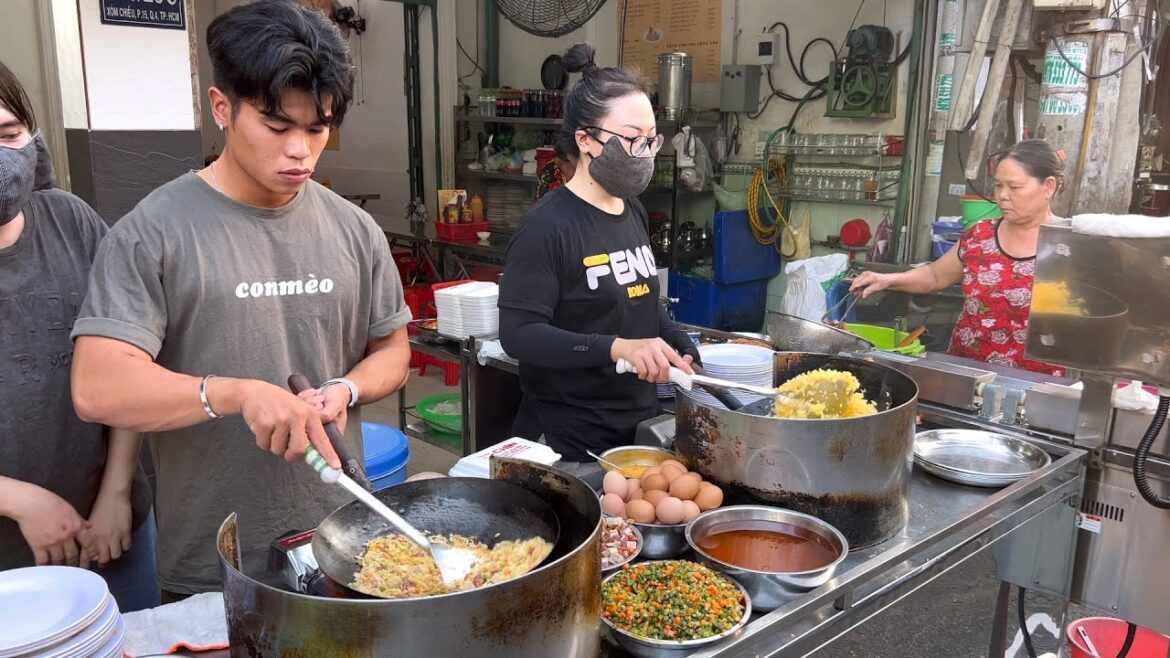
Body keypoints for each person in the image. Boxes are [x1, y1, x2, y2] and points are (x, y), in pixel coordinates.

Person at [70, 0, 411, 599]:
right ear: (221, 107)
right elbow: (97, 386)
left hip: (343, 540)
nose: (301, 151)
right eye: (278, 128)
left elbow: (392, 349)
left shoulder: (355, 230)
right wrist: (234, 393)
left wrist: (346, 389)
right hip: (213, 556)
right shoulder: (155, 231)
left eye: (318, 127)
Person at [0, 62, 158, 611]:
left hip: (112, 531)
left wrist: (116, 490)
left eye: (7, 134)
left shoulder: (73, 222)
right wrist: (18, 500)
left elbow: (126, 365)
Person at [498, 44, 698, 466]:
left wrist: (675, 339)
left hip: (635, 427)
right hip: (568, 441)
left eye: (650, 140)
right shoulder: (548, 227)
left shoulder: (632, 211)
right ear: (586, 140)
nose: (644, 153)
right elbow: (518, 334)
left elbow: (638, 301)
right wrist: (616, 348)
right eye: (631, 140)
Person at [850, 139, 1065, 375]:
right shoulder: (980, 235)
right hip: (967, 373)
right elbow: (934, 276)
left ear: (1049, 187)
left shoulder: (1070, 245)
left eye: (1014, 187)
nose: (1002, 195)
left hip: (1037, 383)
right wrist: (887, 280)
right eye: (998, 186)